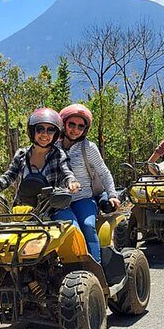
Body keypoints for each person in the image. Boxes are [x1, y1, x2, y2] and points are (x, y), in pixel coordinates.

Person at [58, 104, 121, 263]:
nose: (75, 129)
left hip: (83, 198)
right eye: (71, 124)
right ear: (64, 124)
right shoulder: (52, 147)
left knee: (87, 226)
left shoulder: (89, 148)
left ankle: (95, 269)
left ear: (85, 129)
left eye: (80, 126)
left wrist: (112, 195)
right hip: (58, 202)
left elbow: (104, 172)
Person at [0, 107, 80, 202]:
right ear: (32, 131)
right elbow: (10, 175)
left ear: (56, 134)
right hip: (24, 209)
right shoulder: (22, 154)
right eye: (40, 129)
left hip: (52, 208)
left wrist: (72, 183)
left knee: (70, 222)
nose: (44, 134)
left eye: (50, 130)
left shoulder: (59, 155)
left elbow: (67, 173)